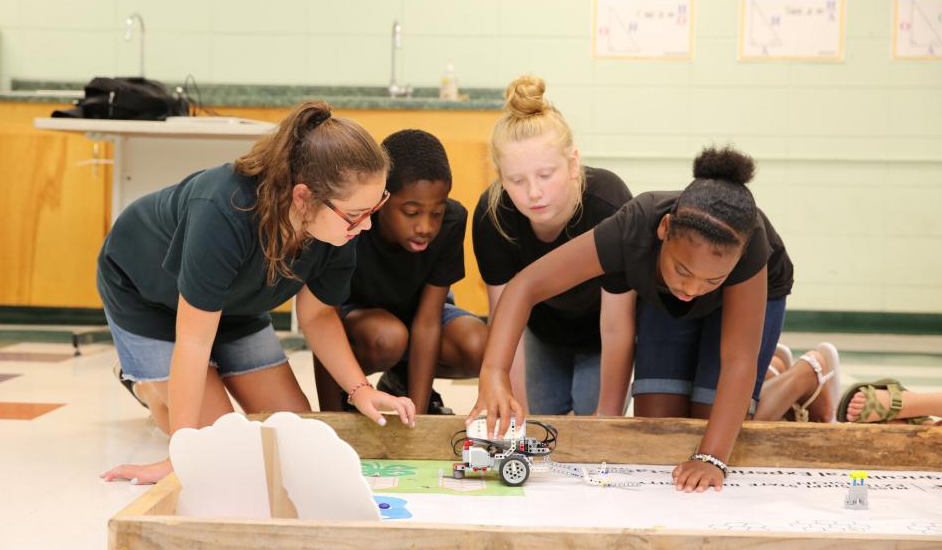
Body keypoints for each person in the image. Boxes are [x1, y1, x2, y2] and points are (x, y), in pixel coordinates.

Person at [99, 101, 415, 485]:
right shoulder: (222, 208)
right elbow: (194, 341)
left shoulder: (340, 222)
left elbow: (317, 316)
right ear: (302, 197)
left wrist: (361, 389)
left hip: (236, 307)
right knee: (223, 449)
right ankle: (148, 388)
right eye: (357, 214)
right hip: (149, 299)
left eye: (374, 207)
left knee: (294, 437)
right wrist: (182, 455)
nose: (365, 226)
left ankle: (160, 388)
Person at [469, 145, 794, 493]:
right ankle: (773, 367)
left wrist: (712, 458)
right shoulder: (632, 226)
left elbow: (738, 361)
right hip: (662, 301)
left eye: (709, 281)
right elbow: (525, 285)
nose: (693, 288)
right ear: (664, 229)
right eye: (682, 270)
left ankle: (798, 375)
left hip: (742, 306)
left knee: (712, 424)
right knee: (659, 430)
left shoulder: (750, 245)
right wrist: (494, 372)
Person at [471, 75, 634, 416]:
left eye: (546, 176)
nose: (533, 192)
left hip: (602, 333)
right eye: (517, 180)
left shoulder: (608, 203)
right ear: (502, 178)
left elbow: (617, 325)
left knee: (592, 417)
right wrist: (517, 416)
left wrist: (608, 418)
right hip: (543, 332)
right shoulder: (494, 216)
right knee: (541, 420)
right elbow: (504, 326)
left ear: (573, 164)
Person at [314, 129, 488, 415]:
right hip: (362, 322)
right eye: (411, 212)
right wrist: (330, 418)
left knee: (478, 343)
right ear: (381, 200)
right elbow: (323, 322)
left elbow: (429, 322)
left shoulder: (453, 222)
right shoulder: (353, 222)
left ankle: (401, 383)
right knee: (388, 336)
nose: (426, 227)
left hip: (420, 315)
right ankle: (351, 395)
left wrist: (418, 422)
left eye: (437, 212)